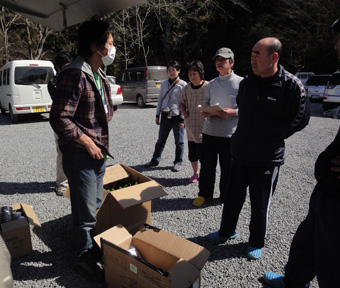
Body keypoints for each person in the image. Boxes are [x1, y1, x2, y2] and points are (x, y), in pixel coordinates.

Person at [206, 38, 310, 260]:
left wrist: (274, 137)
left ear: (274, 57)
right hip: (240, 152)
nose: (251, 58)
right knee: (232, 197)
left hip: (267, 158)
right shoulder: (247, 83)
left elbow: (300, 119)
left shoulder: (291, 85)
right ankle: (227, 231)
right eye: (251, 53)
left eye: (257, 54)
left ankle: (255, 241)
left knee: (260, 203)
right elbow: (243, 111)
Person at [262, 19, 340, 288]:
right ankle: (294, 280)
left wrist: (280, 134)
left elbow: (301, 117)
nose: (336, 45)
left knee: (333, 257)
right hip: (328, 188)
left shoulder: (291, 84)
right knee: (308, 238)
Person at [49, 19, 115, 282]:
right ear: (95, 46)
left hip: (98, 151)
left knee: (93, 205)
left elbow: (103, 112)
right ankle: (80, 253)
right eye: (110, 44)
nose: (113, 48)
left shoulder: (96, 73)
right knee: (85, 211)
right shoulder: (74, 74)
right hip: (80, 154)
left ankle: (85, 246)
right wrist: (86, 141)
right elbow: (59, 118)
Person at [192, 48, 243, 207]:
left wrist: (234, 112)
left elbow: (249, 108)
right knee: (207, 166)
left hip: (230, 134)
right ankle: (204, 194)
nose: (219, 62)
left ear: (232, 62)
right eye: (217, 60)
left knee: (228, 168)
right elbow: (206, 103)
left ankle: (225, 195)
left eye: (223, 60)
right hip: (210, 131)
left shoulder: (242, 82)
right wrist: (206, 111)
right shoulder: (211, 84)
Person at [144, 61, 187, 172]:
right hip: (164, 115)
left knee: (179, 141)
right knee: (161, 140)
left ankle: (178, 162)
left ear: (178, 71)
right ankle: (155, 160)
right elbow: (160, 100)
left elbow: (185, 103)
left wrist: (182, 118)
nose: (171, 72)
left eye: (174, 70)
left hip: (177, 117)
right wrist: (157, 115)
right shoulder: (164, 84)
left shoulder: (183, 85)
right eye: (169, 70)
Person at [178, 60, 209, 183]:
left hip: (206, 126)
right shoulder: (186, 89)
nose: (192, 76)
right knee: (192, 153)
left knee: (205, 154)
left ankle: (205, 173)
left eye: (194, 73)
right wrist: (184, 113)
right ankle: (195, 173)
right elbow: (181, 103)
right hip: (191, 126)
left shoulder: (208, 86)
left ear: (200, 73)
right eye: (190, 74)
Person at [48, 52, 72, 196]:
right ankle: (62, 183)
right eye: (64, 67)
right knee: (62, 152)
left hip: (76, 120)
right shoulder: (53, 82)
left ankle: (75, 179)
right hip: (60, 121)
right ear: (57, 68)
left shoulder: (74, 77)